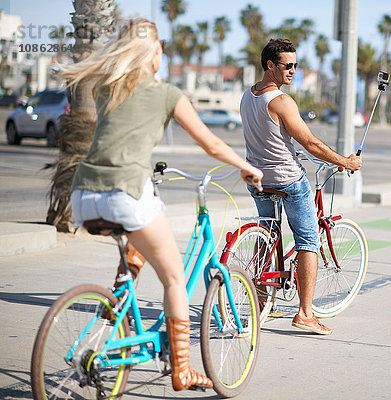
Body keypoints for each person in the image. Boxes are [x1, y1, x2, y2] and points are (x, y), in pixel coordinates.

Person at [61, 18, 263, 391]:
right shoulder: (167, 93)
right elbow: (212, 145)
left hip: (82, 195)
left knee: (151, 210)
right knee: (173, 278)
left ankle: (120, 293)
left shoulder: (108, 88)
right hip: (123, 193)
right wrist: (247, 167)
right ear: (154, 53)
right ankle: (182, 370)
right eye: (160, 49)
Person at [240, 38, 362, 335]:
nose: (293, 71)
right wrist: (345, 162)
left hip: (257, 180)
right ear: (270, 65)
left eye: (296, 64)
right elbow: (309, 143)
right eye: (288, 65)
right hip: (287, 181)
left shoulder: (248, 95)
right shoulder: (281, 102)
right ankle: (305, 314)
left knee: (267, 234)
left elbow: (272, 139)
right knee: (308, 241)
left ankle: (260, 305)